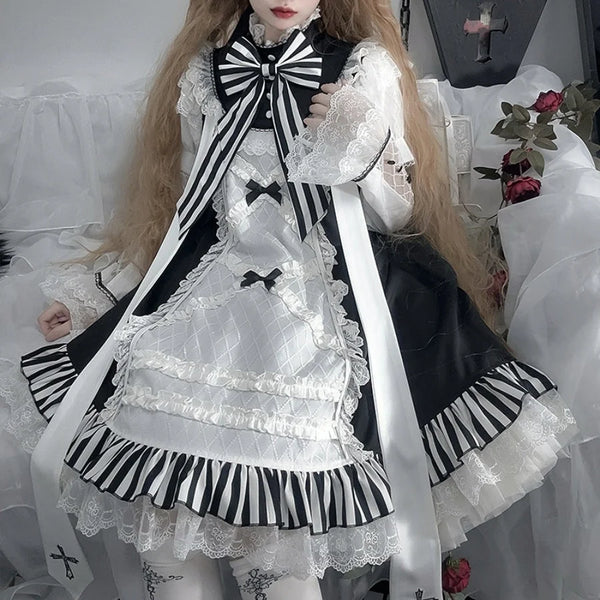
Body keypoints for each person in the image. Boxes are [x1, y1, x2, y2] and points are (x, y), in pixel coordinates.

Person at [6, 1, 577, 599]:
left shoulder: (362, 67)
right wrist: (108, 289)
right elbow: (186, 210)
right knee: (162, 518)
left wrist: (367, 148)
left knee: (278, 530)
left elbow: (395, 212)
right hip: (212, 290)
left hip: (320, 292)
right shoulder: (207, 70)